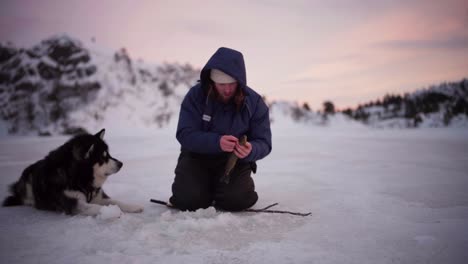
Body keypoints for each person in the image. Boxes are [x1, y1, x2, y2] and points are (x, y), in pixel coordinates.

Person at [169, 47, 272, 211]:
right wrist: (216, 142)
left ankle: (222, 189)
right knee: (188, 201)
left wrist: (251, 150)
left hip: (234, 161)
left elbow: (264, 142)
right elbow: (184, 133)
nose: (227, 89)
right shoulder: (195, 96)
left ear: (240, 80)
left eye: (232, 83)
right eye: (221, 84)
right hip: (197, 157)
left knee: (238, 201)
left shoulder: (255, 103)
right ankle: (204, 189)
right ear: (212, 81)